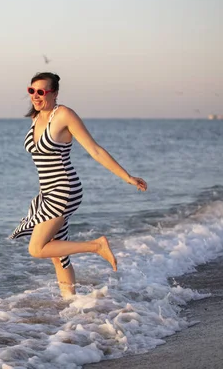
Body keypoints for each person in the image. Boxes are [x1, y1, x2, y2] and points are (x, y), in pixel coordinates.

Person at [10, 72, 147, 299]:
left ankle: (97, 246)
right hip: (46, 192)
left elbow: (95, 150)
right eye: (31, 91)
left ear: (54, 93)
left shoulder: (63, 115)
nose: (35, 96)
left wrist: (127, 177)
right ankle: (70, 304)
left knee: (36, 248)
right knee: (58, 255)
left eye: (41, 91)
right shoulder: (36, 117)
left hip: (64, 190)